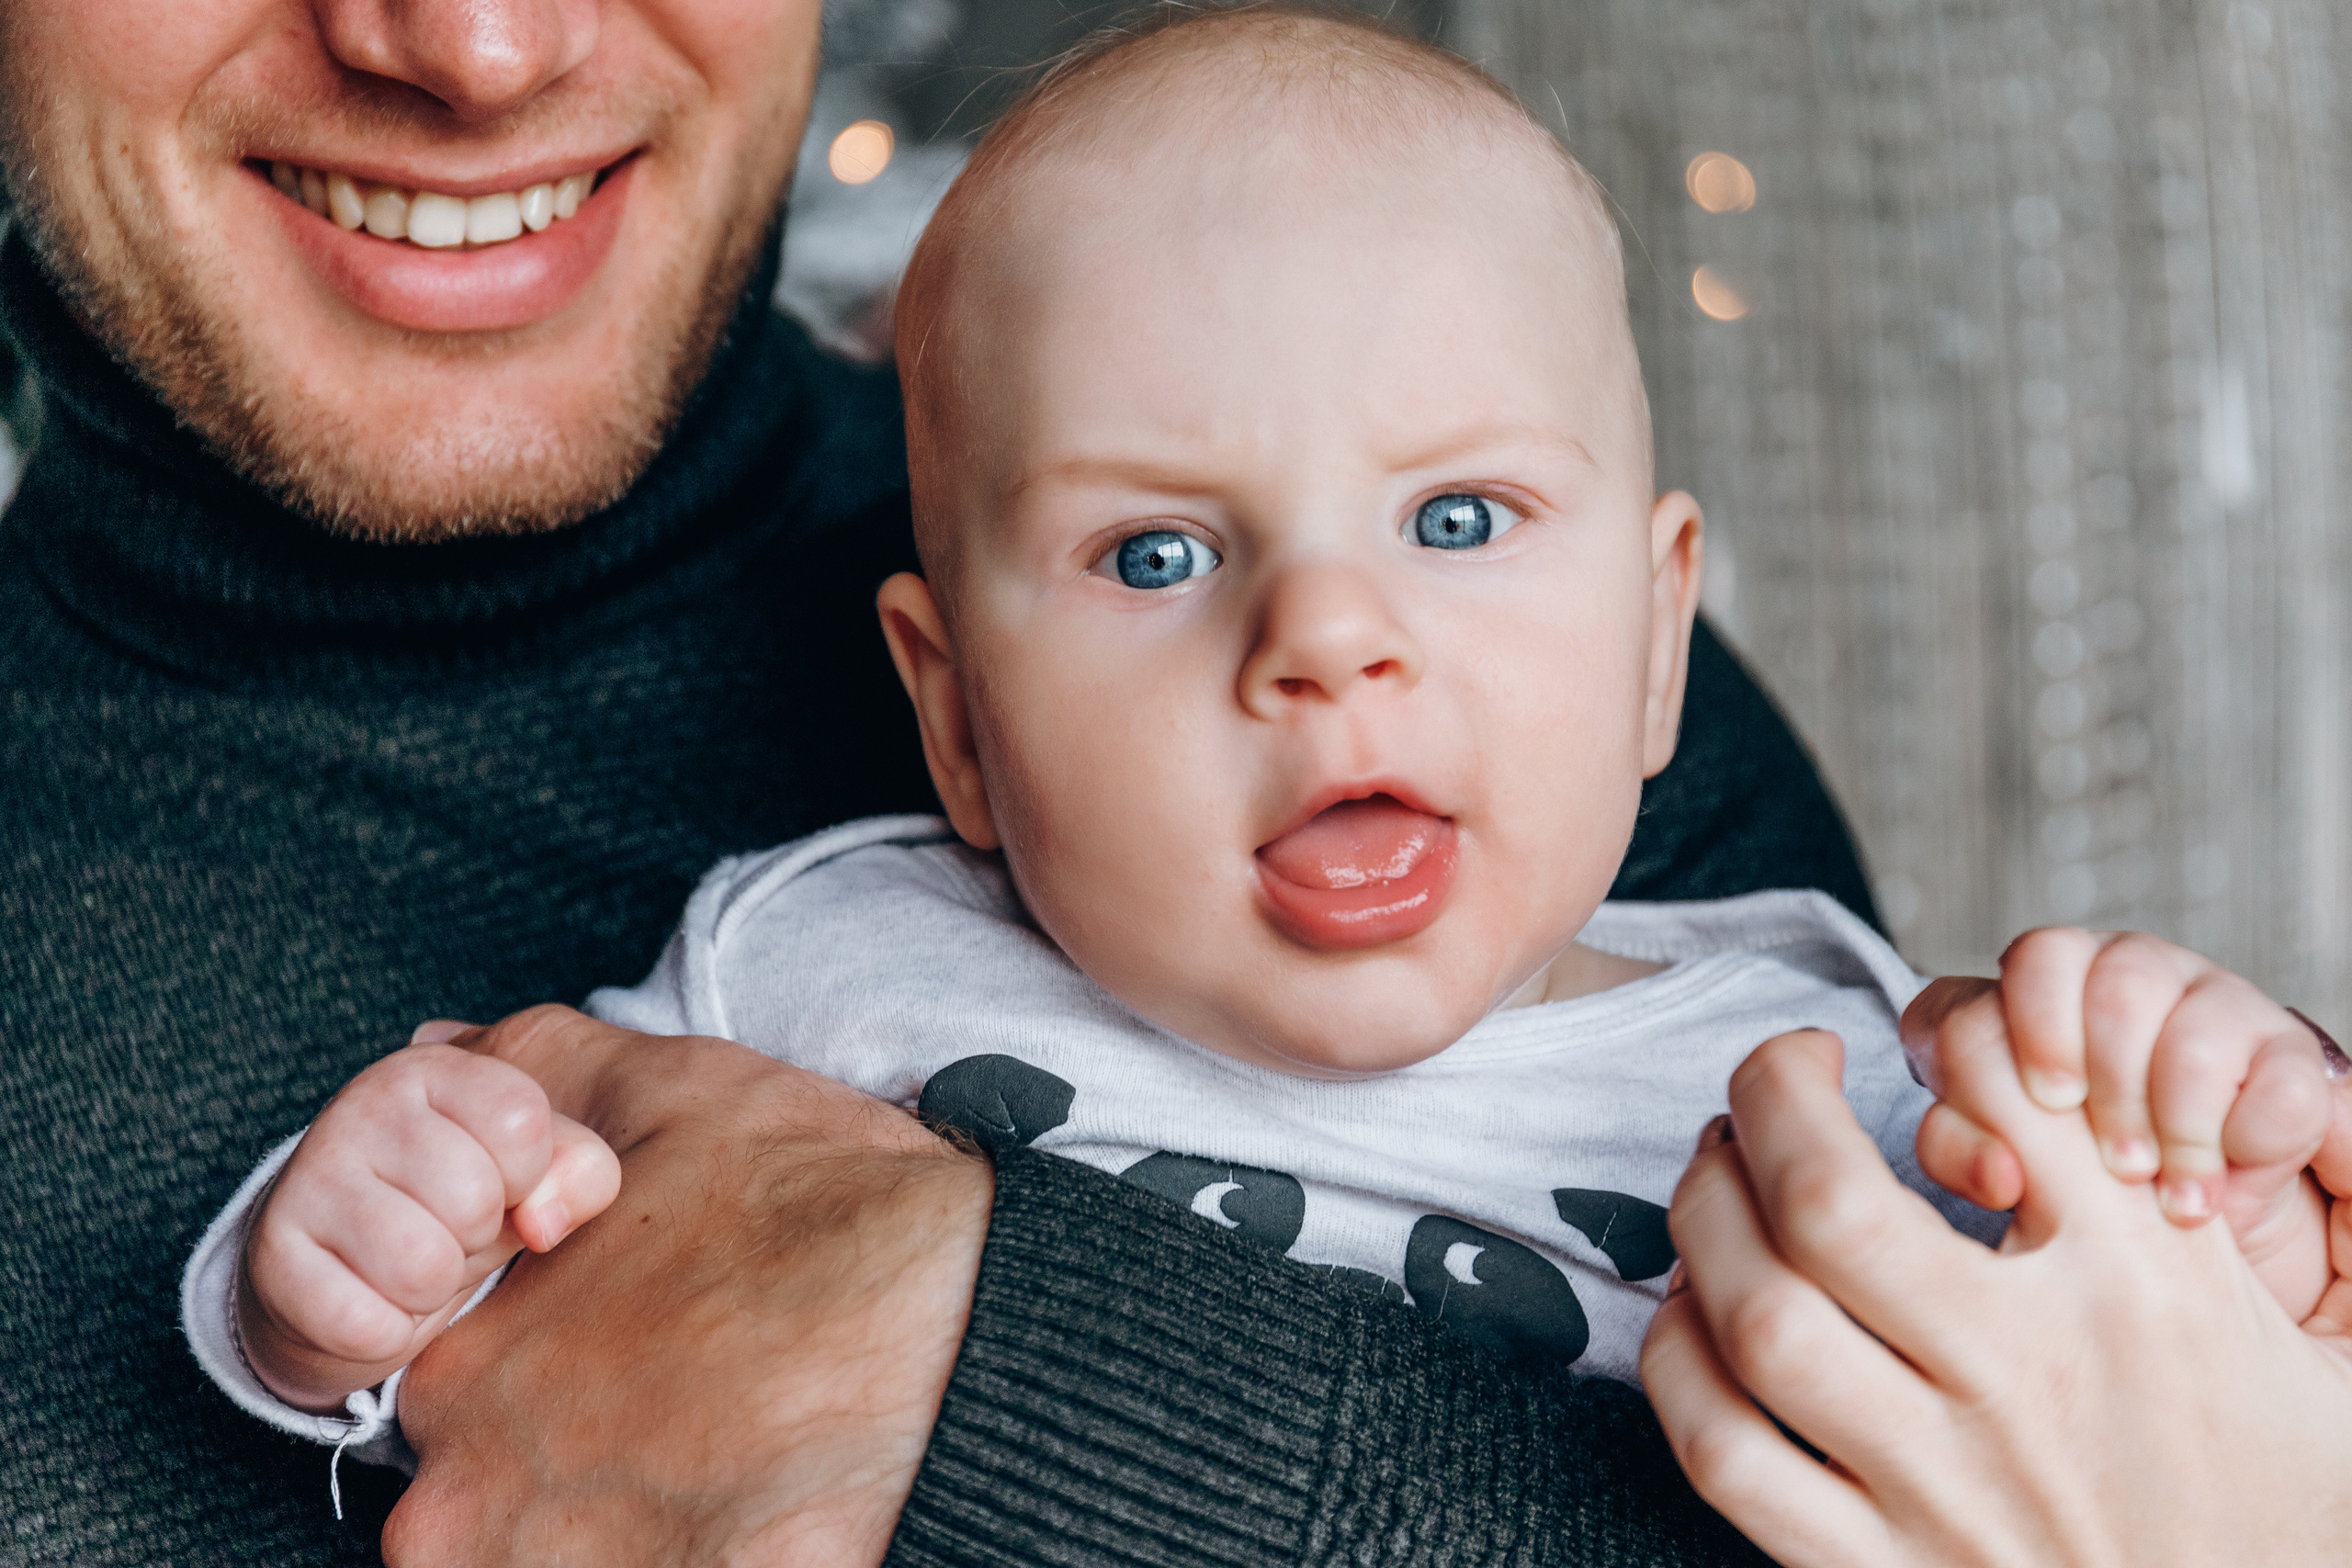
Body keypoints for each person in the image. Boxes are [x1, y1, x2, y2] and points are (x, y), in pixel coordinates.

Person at [5, 0, 2348, 1563]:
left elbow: (2078, 1449)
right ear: (950, 717)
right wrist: (319, 1287)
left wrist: (2210, 1206)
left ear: (1648, 635)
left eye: (1458, 518)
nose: (1334, 636)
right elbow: (423, 1240)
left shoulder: (1793, 1039)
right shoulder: (809, 950)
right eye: (1152, 555)